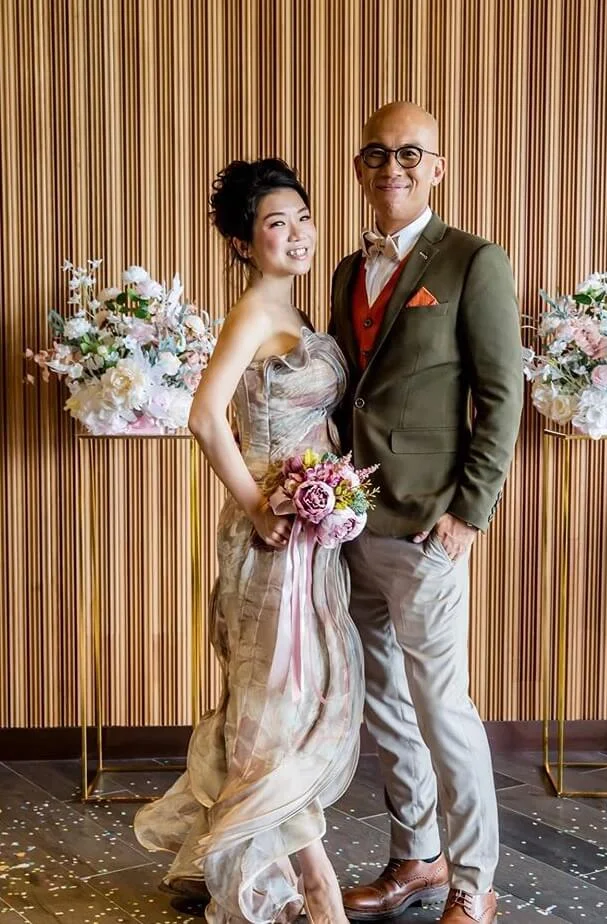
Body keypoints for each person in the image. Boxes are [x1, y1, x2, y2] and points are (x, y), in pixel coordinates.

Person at [134, 158, 363, 924]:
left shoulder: (295, 312)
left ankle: (219, 856)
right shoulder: (254, 314)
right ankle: (318, 886)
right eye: (276, 224)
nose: (297, 235)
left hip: (314, 534)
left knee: (285, 700)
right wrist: (259, 507)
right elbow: (205, 416)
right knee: (275, 704)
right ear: (242, 242)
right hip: (273, 543)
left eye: (303, 218)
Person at [329, 102, 524, 924]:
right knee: (384, 703)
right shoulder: (347, 269)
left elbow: (502, 396)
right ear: (360, 169)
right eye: (377, 154)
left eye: (411, 154)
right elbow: (351, 394)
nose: (393, 168)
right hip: (351, 527)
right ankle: (418, 858)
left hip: (428, 526)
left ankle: (475, 882)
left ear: (437, 168)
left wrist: (468, 516)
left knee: (443, 707)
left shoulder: (474, 260)